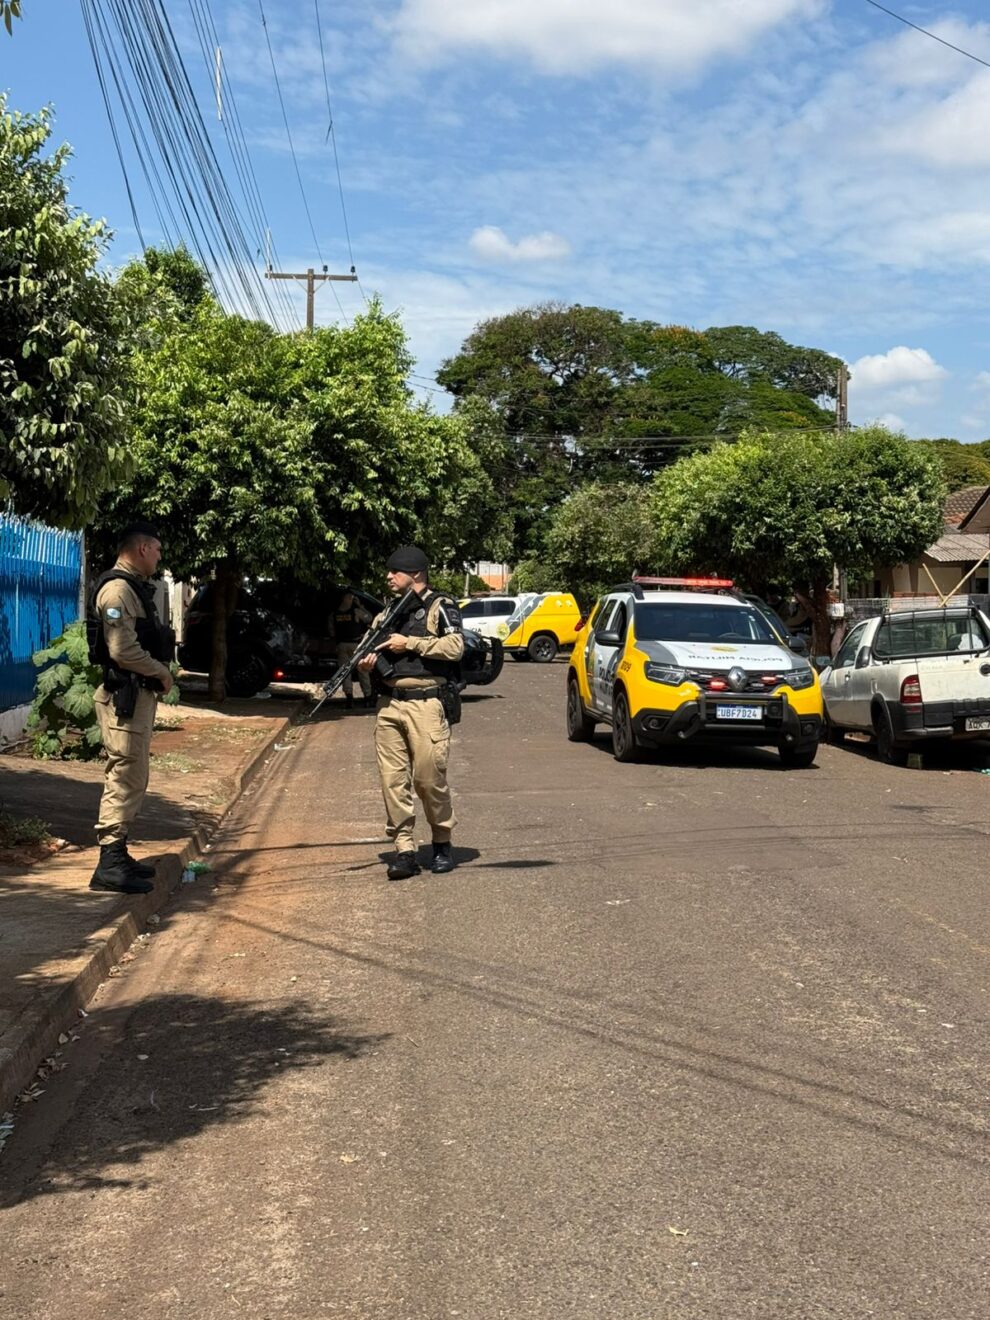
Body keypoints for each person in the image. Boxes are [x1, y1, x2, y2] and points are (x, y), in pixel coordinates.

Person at [358, 546, 464, 880]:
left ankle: (442, 842)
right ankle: (405, 850)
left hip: (426, 703)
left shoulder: (439, 607)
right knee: (392, 781)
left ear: (415, 574)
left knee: (429, 779)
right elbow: (366, 646)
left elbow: (456, 647)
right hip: (389, 704)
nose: (388, 577)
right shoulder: (386, 613)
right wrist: (366, 663)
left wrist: (412, 644)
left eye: (395, 572)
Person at [88, 522, 174, 895]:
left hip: (135, 698)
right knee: (124, 776)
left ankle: (118, 855)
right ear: (141, 548)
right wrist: (161, 672)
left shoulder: (132, 588)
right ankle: (109, 863)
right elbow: (122, 650)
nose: (159, 556)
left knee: (134, 775)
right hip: (124, 697)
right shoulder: (118, 590)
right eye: (156, 549)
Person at [332, 589, 374, 708]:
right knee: (363, 670)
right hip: (356, 646)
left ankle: (349, 698)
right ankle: (367, 697)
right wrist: (361, 606)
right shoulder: (355, 611)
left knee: (345, 672)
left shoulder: (334, 614)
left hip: (341, 646)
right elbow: (369, 618)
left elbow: (331, 630)